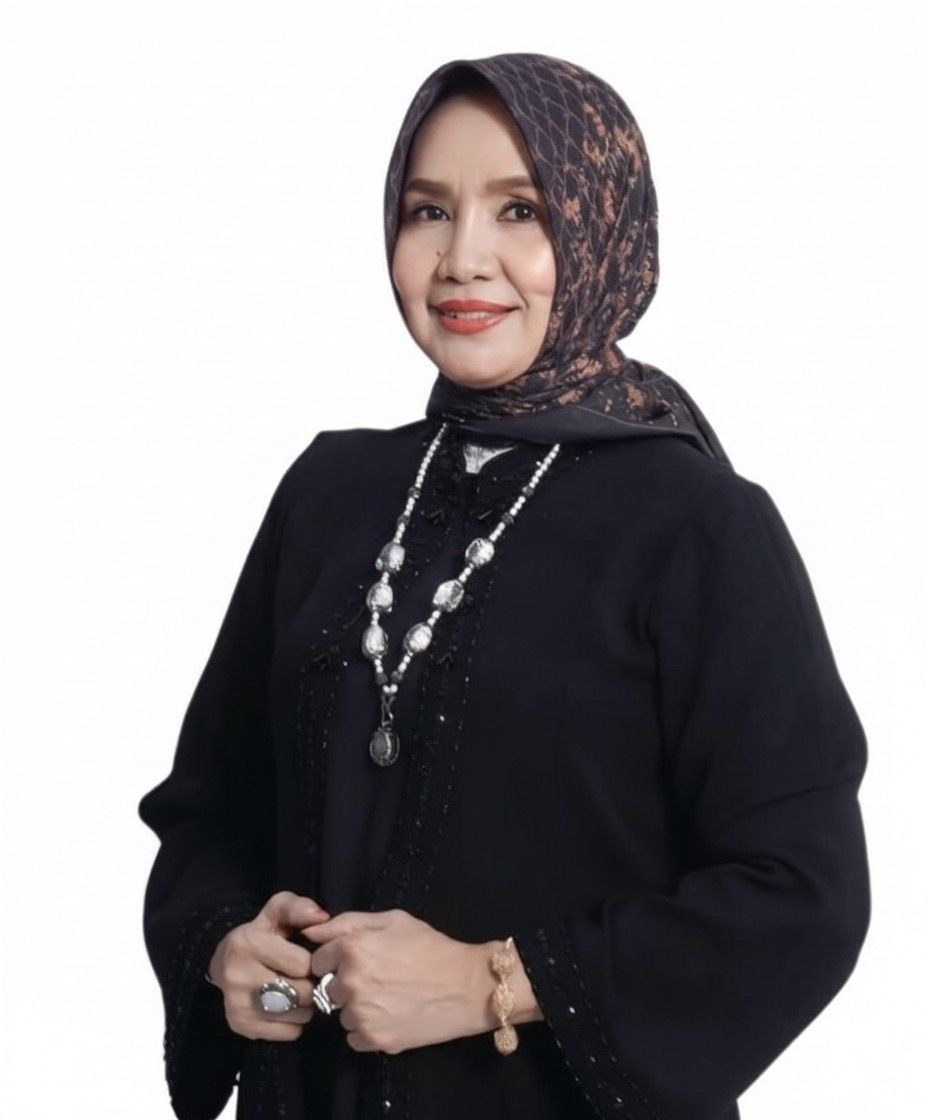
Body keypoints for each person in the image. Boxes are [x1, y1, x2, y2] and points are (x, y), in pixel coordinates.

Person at [137, 52, 871, 1120]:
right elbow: (207, 808)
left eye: (521, 211)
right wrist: (224, 945)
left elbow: (802, 895)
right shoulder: (331, 489)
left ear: (603, 230)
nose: (462, 259)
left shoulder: (696, 524)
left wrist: (489, 981)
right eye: (428, 211)